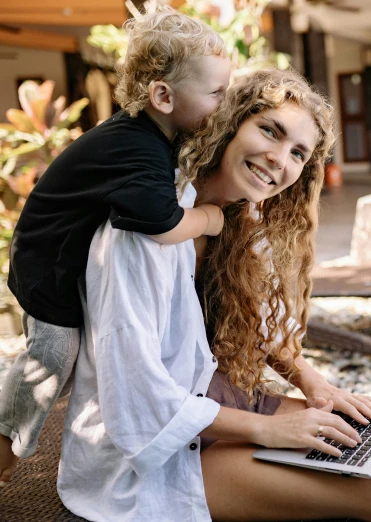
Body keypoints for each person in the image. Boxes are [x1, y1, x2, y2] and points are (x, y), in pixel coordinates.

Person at [59, 67, 371, 522]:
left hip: (223, 405)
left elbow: (260, 328)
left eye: (298, 153)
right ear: (231, 124)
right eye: (269, 131)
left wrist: (313, 382)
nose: (280, 159)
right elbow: (137, 399)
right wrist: (271, 429)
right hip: (153, 454)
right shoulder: (141, 231)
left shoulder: (240, 219)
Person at [0, 5, 231, 487]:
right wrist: (209, 218)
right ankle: (4, 448)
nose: (222, 103)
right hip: (49, 272)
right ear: (163, 96)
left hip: (63, 261)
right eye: (216, 93)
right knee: (51, 362)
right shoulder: (136, 147)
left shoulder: (153, 136)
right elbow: (162, 223)